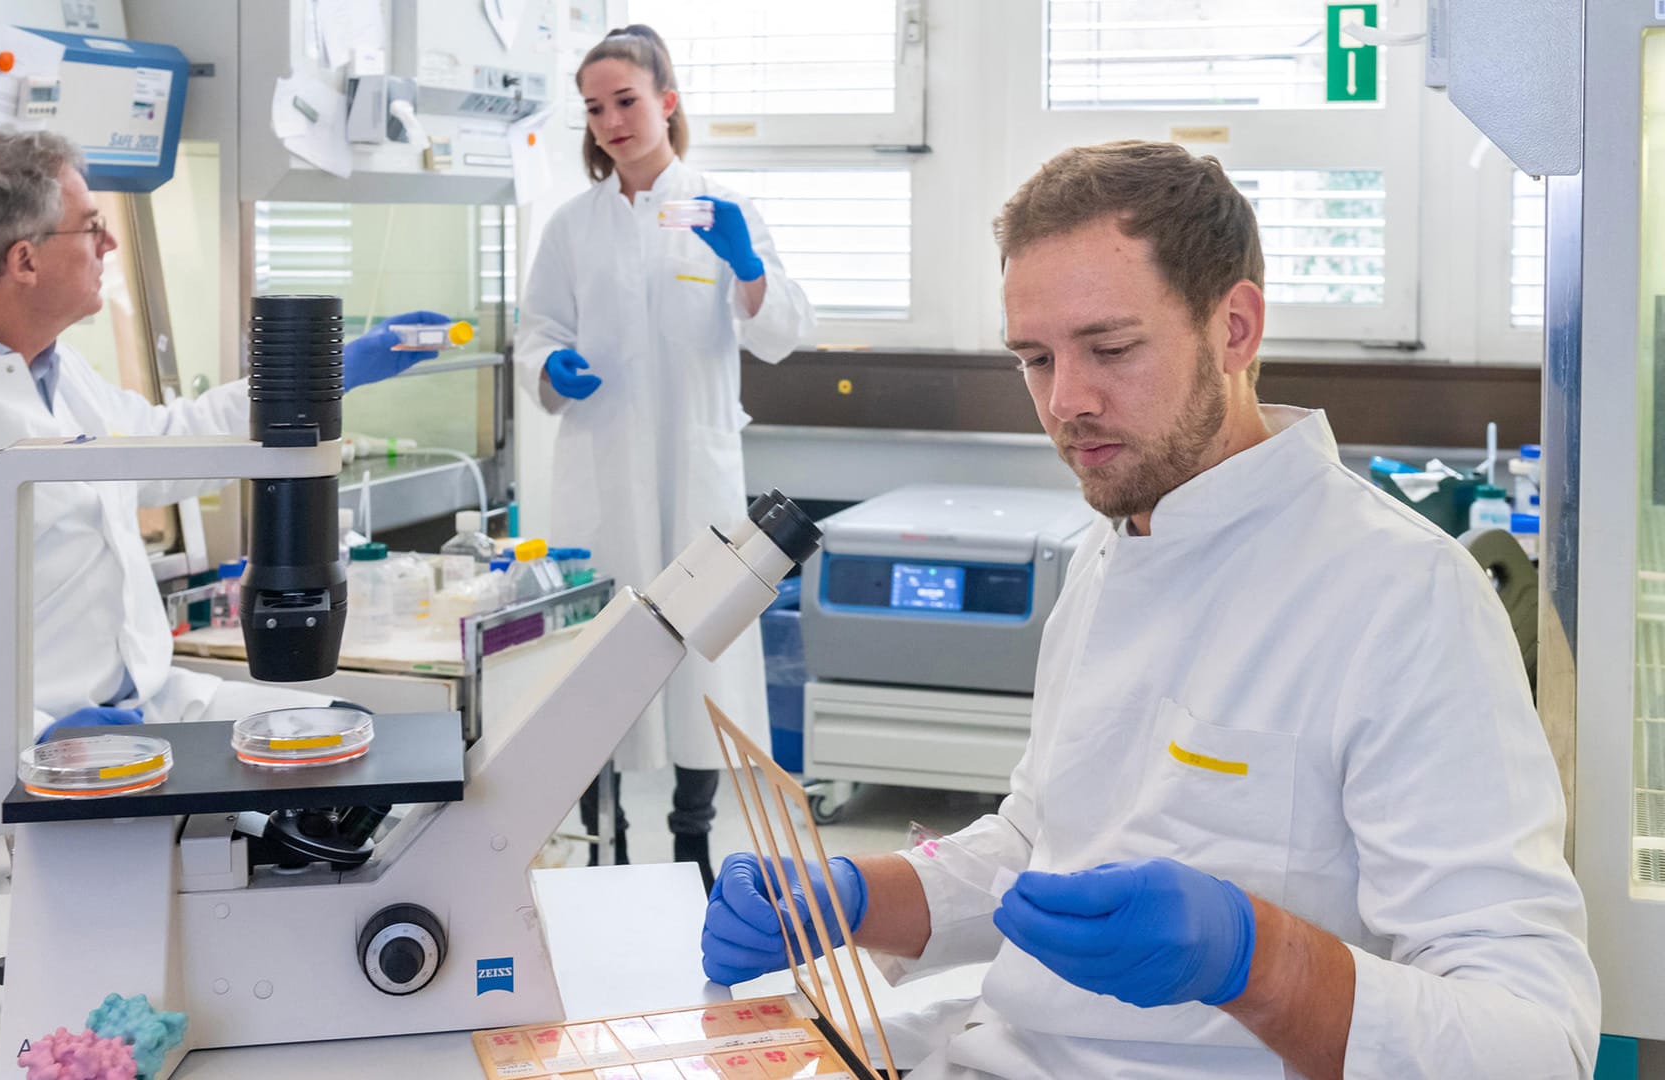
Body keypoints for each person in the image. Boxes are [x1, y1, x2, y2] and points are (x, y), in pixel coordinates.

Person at [700, 141, 1599, 1078]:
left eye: (1112, 348)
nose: (1066, 402)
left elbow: (1537, 1041)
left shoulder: (1403, 596)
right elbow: (1039, 842)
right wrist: (850, 897)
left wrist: (1258, 960)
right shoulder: (1113, 545)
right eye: (1035, 359)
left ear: (1235, 329)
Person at [0, 130, 450, 899]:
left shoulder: (56, 377)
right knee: (230, 883)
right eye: (91, 226)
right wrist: (29, 735)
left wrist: (318, 376)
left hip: (134, 718)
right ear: (24, 260)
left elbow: (165, 448)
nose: (108, 245)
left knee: (346, 746)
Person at [516, 25, 815, 885]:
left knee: (700, 655)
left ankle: (693, 843)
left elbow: (782, 334)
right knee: (599, 655)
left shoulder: (720, 207)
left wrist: (747, 265)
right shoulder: (573, 226)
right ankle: (599, 844)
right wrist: (548, 366)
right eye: (597, 107)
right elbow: (535, 332)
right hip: (601, 471)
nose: (612, 120)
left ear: (667, 102)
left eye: (628, 101)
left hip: (697, 474)